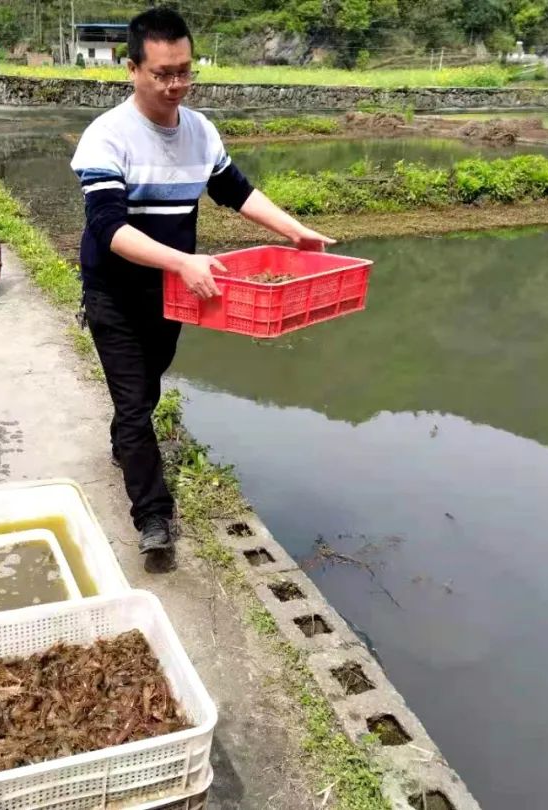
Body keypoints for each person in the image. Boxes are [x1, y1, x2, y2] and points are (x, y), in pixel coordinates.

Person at [70, 8, 334, 555]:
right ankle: (154, 518)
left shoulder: (199, 131)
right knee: (135, 403)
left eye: (184, 71)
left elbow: (236, 191)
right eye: (162, 73)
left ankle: (127, 442)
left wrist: (296, 231)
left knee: (147, 384)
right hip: (114, 291)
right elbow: (109, 229)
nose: (175, 85)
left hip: (171, 292)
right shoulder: (107, 138)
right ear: (132, 69)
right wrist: (183, 261)